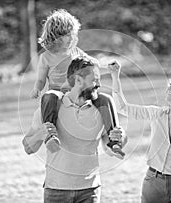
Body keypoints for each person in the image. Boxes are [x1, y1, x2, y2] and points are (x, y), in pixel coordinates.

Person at [23, 57, 127, 203]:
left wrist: (121, 137)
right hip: (56, 190)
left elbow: (109, 149)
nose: (99, 84)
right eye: (95, 79)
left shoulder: (101, 108)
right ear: (78, 81)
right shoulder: (51, 108)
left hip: (90, 190)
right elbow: (28, 148)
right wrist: (42, 133)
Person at [108, 61, 171, 203]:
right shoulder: (156, 114)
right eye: (170, 85)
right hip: (153, 185)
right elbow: (122, 107)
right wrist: (115, 75)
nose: (169, 88)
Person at [30, 9, 124, 156]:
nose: (73, 38)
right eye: (69, 35)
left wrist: (109, 68)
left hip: (79, 91)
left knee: (105, 99)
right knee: (49, 96)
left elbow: (93, 67)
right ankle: (51, 135)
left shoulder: (76, 52)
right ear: (56, 36)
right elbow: (41, 78)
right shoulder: (46, 57)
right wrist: (37, 88)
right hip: (59, 93)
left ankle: (114, 139)